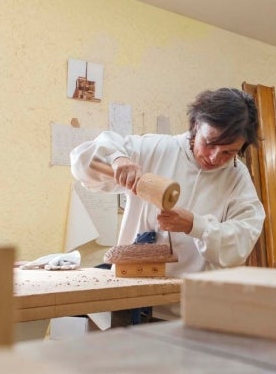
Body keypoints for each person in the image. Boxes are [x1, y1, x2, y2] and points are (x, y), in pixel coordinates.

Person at [70, 87, 265, 280]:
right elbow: (81, 163)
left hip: (192, 299)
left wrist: (195, 225)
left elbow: (242, 240)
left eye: (228, 152)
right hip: (133, 293)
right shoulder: (155, 148)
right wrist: (117, 158)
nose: (214, 158)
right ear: (197, 125)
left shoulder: (236, 177)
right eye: (209, 143)